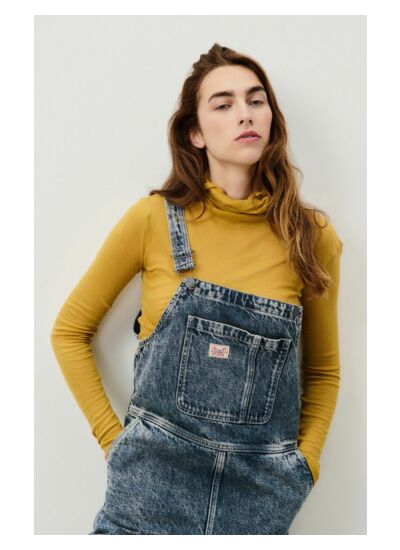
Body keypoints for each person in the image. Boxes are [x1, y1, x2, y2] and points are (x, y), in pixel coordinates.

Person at [50, 43, 343, 535]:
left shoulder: (310, 236)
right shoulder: (152, 220)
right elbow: (68, 332)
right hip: (148, 491)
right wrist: (116, 446)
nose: (245, 114)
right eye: (223, 105)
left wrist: (303, 467)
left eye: (256, 100)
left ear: (271, 118)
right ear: (196, 133)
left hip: (259, 500)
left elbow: (323, 371)